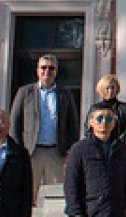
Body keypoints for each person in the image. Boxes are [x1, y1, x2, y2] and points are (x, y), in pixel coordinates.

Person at [8, 54, 80, 200]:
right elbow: (14, 123)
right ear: (37, 70)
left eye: (51, 68)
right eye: (43, 68)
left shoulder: (64, 93)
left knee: (54, 193)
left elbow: (73, 124)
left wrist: (70, 150)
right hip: (30, 151)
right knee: (27, 192)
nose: (47, 72)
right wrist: (18, 150)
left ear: (56, 71)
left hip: (56, 152)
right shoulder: (25, 92)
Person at [85, 75, 126, 143]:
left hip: (119, 145)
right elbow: (88, 129)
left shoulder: (124, 108)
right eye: (107, 88)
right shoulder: (95, 108)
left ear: (117, 89)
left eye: (113, 88)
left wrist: (118, 142)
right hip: (98, 145)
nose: (110, 91)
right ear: (102, 89)